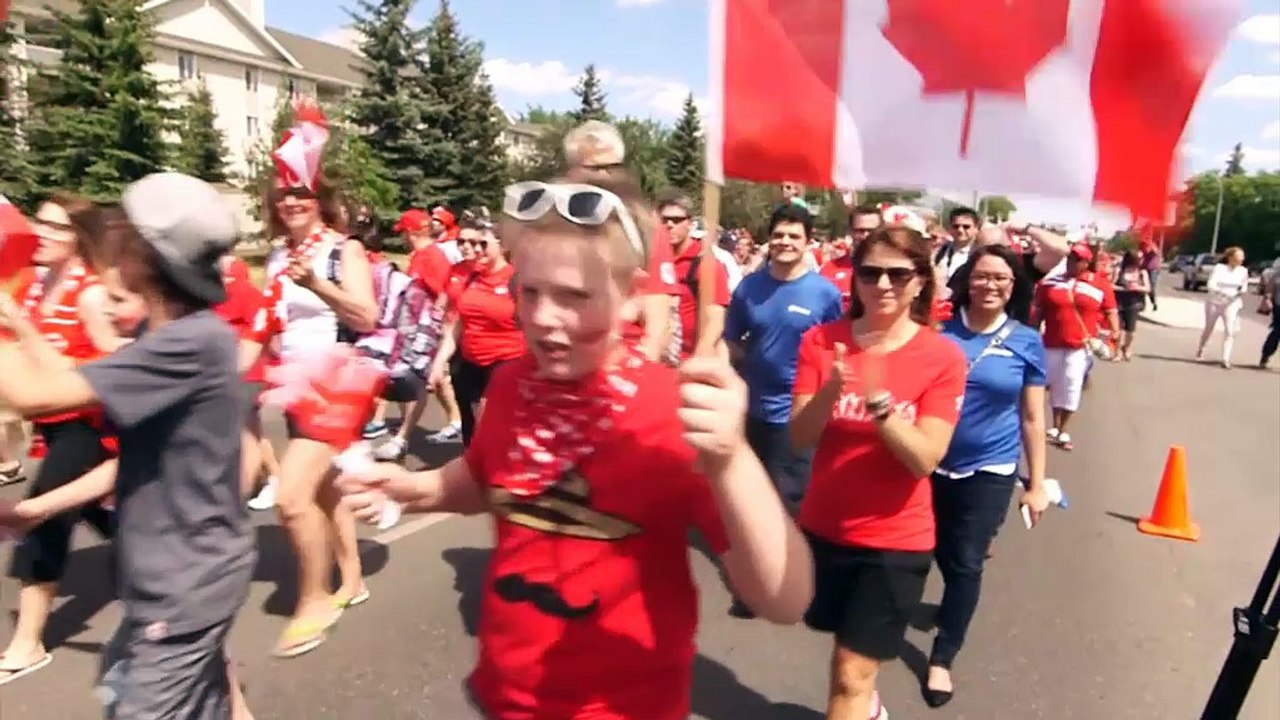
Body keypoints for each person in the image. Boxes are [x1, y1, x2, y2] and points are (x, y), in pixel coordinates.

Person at [336, 169, 813, 720]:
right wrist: (409, 487)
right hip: (507, 697)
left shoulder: (674, 410)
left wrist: (732, 461)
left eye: (573, 296)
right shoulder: (513, 382)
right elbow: (487, 481)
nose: (541, 318)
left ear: (632, 296)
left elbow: (785, 599)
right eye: (530, 290)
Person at [0, 172, 254, 718]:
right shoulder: (163, 338)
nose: (112, 236)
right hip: (172, 579)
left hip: (184, 586)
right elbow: (123, 451)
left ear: (147, 256)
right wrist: (35, 509)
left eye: (125, 230)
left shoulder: (187, 344)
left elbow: (34, 394)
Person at [790, 225, 967, 720]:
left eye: (897, 273)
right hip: (825, 529)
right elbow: (799, 437)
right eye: (870, 272)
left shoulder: (942, 357)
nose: (883, 284)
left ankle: (858, 705)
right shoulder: (821, 342)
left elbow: (924, 458)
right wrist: (830, 392)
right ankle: (866, 710)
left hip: (895, 542)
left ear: (920, 282)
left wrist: (880, 407)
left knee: (852, 671)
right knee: (842, 655)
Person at [240, 107, 378, 657]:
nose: (290, 202)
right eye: (282, 195)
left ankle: (314, 598)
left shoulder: (344, 250)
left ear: (320, 199)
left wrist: (319, 283)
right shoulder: (276, 256)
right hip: (294, 383)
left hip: (338, 384)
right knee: (322, 490)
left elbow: (367, 317)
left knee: (292, 497)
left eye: (300, 192)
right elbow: (268, 324)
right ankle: (353, 580)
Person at [0, 193, 124, 685]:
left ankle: (27, 644)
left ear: (79, 239)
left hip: (89, 424)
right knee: (102, 512)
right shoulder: (30, 285)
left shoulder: (90, 294)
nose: (43, 236)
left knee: (44, 516)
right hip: (51, 423)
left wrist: (25, 328)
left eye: (56, 229)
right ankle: (160, 552)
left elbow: (117, 360)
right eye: (40, 225)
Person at [925, 245, 1050, 708]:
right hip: (929, 461)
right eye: (981, 276)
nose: (990, 285)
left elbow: (1033, 417)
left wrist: (1036, 485)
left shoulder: (1026, 341)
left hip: (991, 467)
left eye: (1001, 277)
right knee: (928, 550)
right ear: (965, 281)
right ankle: (948, 601)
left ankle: (943, 656)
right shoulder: (938, 334)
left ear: (1013, 286)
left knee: (966, 560)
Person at [427, 218, 525, 447]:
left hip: (506, 361)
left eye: (483, 244)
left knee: (489, 422)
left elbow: (532, 325)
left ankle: (497, 471)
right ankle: (472, 471)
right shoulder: (472, 277)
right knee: (470, 427)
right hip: (470, 362)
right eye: (472, 243)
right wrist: (438, 363)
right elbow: (459, 324)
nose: (476, 249)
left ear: (503, 246)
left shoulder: (516, 280)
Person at [1032, 243, 1120, 451]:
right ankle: (1052, 426)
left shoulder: (1099, 284)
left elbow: (1111, 310)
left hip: (1080, 346)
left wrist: (1115, 333)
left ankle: (1063, 429)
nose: (1072, 262)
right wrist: (1032, 333)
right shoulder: (1050, 283)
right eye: (1070, 258)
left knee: (1071, 385)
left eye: (1077, 259)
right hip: (1051, 342)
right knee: (1051, 384)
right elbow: (1039, 310)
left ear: (1086, 263)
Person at [1196, 246, 1248, 369]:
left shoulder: (1243, 271)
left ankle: (1225, 358)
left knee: (1230, 330)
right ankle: (1201, 348)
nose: (1241, 259)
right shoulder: (1219, 269)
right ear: (1230, 258)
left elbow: (1244, 287)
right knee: (1209, 327)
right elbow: (1211, 284)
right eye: (1239, 257)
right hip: (1214, 302)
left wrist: (1238, 293)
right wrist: (1222, 293)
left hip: (1231, 304)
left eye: (1242, 257)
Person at [1113, 249, 1152, 362]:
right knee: (1118, 329)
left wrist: (1137, 288)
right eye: (1139, 258)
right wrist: (1123, 288)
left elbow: (1148, 288)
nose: (1141, 260)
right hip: (1119, 302)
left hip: (1134, 304)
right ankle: (1117, 352)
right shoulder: (1119, 270)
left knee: (1131, 331)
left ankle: (1126, 347)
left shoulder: (1142, 273)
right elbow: (1111, 285)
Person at [1260, 263, 1280, 370]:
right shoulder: (1277, 274)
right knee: (1277, 332)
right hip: (1278, 306)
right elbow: (1269, 289)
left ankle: (1266, 355)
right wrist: (1267, 299)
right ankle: (1266, 355)